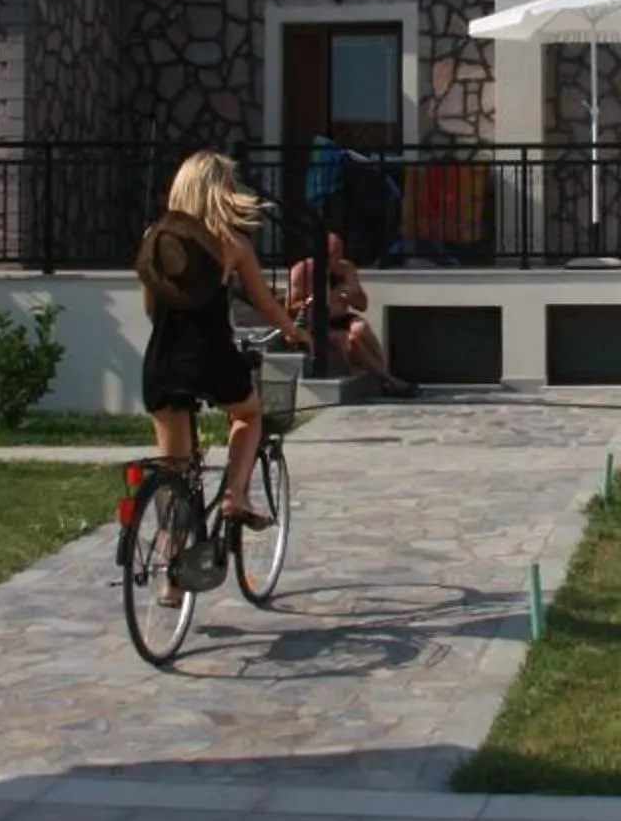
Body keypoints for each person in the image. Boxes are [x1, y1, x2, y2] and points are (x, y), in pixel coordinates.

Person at [138, 153, 307, 542]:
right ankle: (235, 495)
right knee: (248, 414)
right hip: (210, 357)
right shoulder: (231, 243)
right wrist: (293, 332)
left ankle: (169, 560)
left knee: (174, 468)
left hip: (163, 358)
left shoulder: (155, 239)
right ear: (219, 191)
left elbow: (150, 305)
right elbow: (265, 304)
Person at [287, 232, 418, 398]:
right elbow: (289, 307)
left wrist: (351, 296)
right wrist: (315, 301)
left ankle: (384, 376)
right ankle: (389, 380)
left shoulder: (347, 269)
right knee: (350, 340)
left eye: (339, 254)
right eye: (332, 255)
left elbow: (363, 305)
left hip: (342, 318)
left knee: (361, 328)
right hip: (316, 322)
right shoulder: (302, 271)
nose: (336, 260)